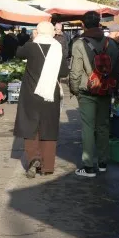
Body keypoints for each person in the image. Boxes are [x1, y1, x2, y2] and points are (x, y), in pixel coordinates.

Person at [14, 22, 69, 178]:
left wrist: (32, 39)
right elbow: (64, 72)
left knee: (30, 126)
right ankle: (47, 167)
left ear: (37, 32)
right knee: (49, 128)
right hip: (51, 94)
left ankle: (34, 157)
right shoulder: (57, 47)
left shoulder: (31, 47)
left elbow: (18, 52)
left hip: (31, 94)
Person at [69, 11, 119, 178]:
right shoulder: (111, 43)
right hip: (106, 90)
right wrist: (116, 89)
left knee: (88, 127)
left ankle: (89, 166)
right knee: (104, 126)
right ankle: (103, 162)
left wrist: (74, 89)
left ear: (84, 24)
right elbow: (117, 70)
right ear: (100, 22)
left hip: (87, 91)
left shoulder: (79, 43)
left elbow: (75, 72)